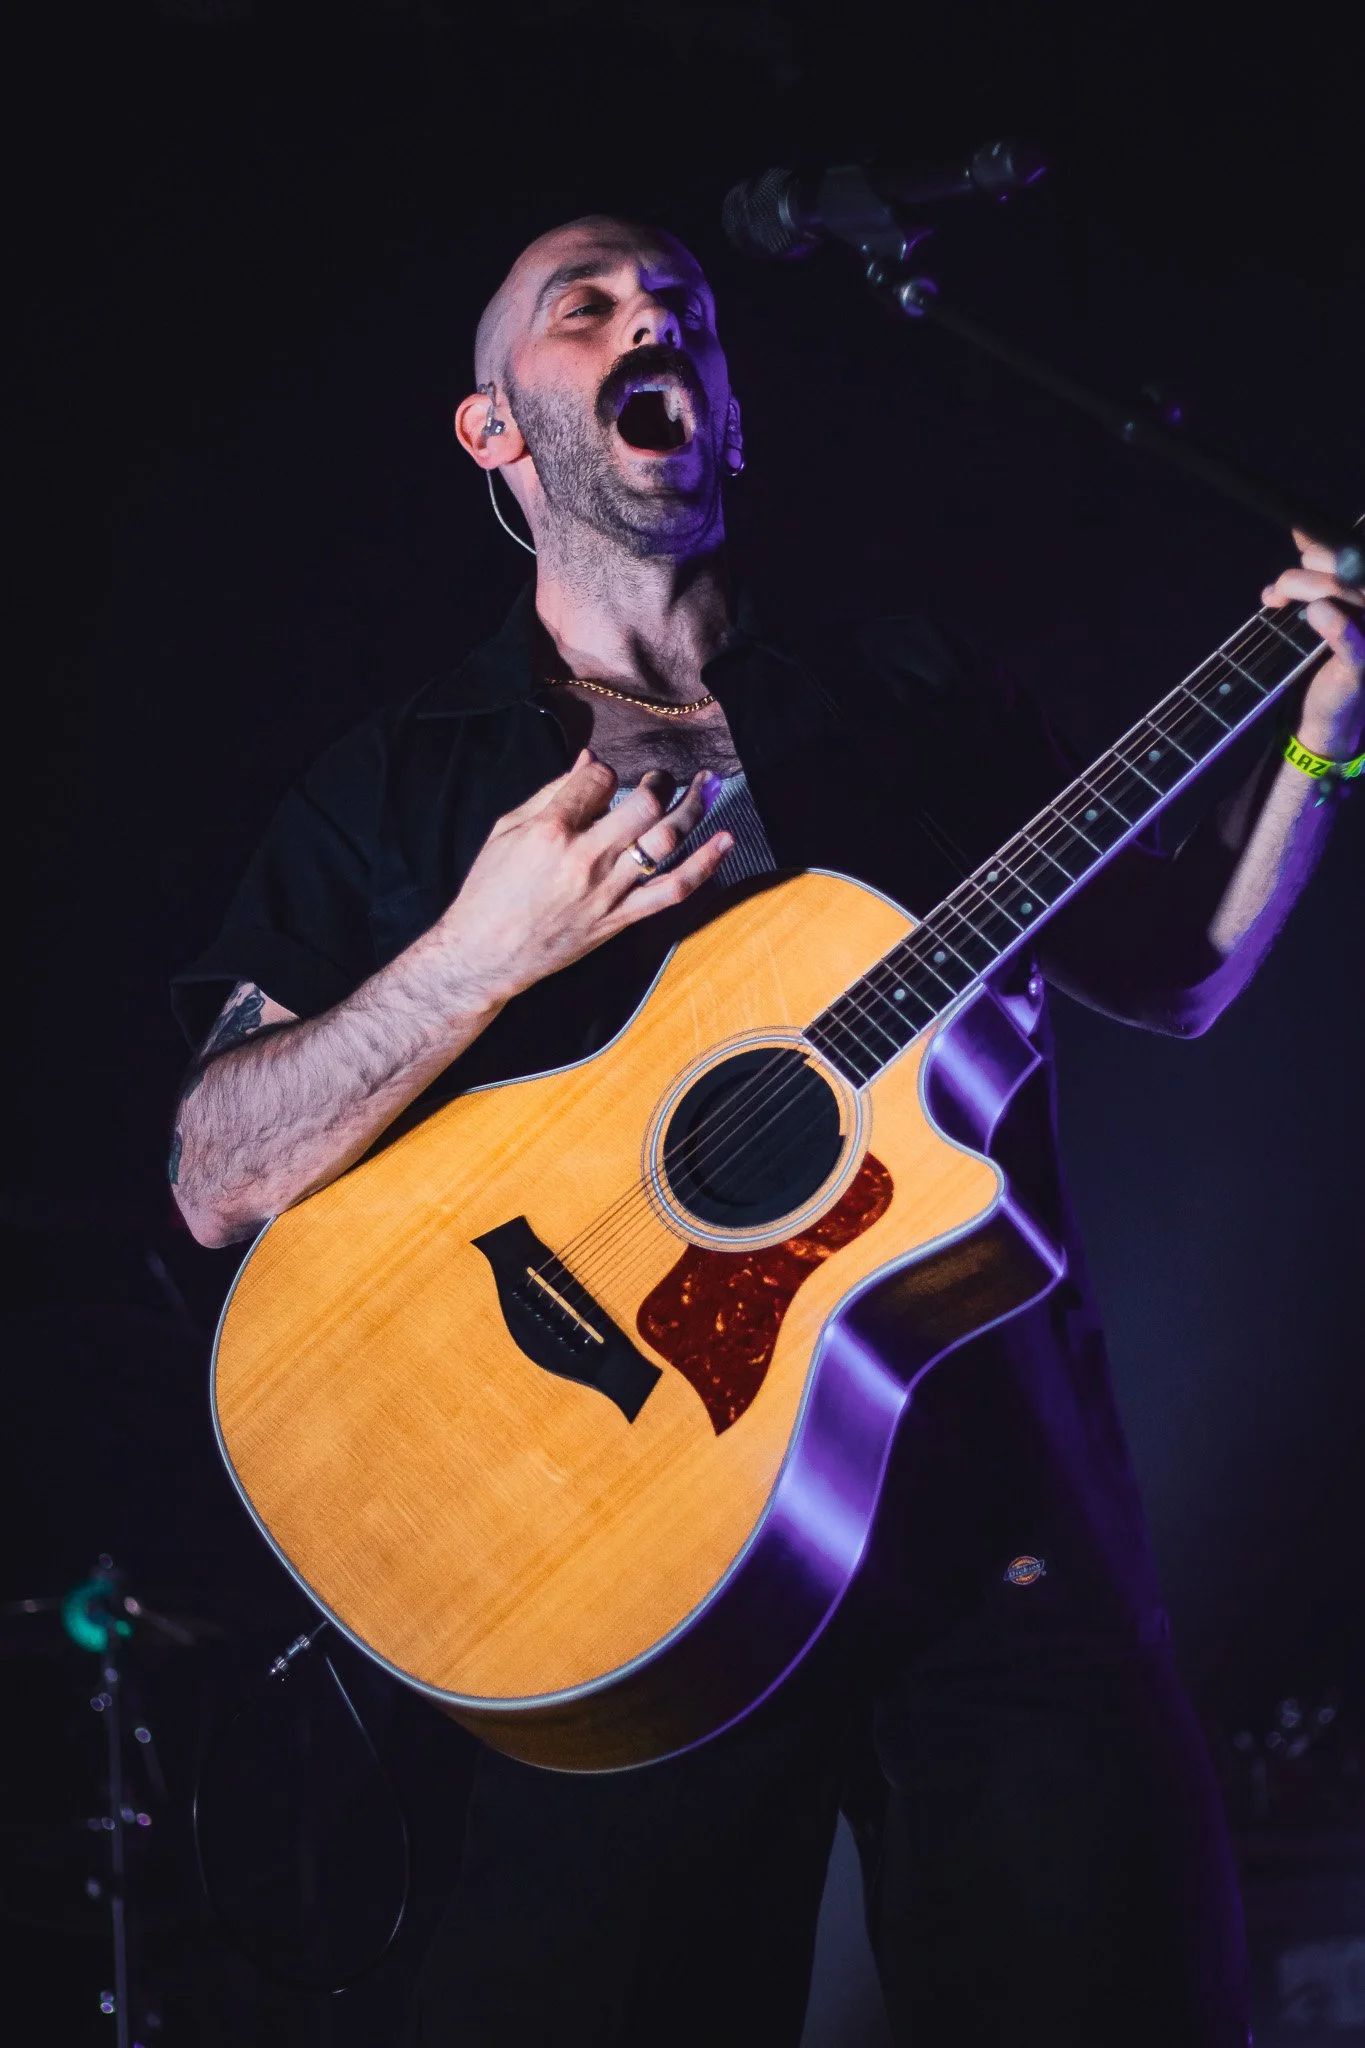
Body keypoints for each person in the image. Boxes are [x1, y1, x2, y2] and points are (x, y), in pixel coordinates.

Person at [169, 216, 1363, 2046]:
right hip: (614, 1556)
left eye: (684, 311)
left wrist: (1322, 734)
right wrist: (477, 956)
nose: (650, 320)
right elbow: (220, 1172)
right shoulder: (399, 781)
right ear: (494, 429)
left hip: (992, 1538)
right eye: (585, 309)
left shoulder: (914, 691)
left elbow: (1178, 974)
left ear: (726, 414)